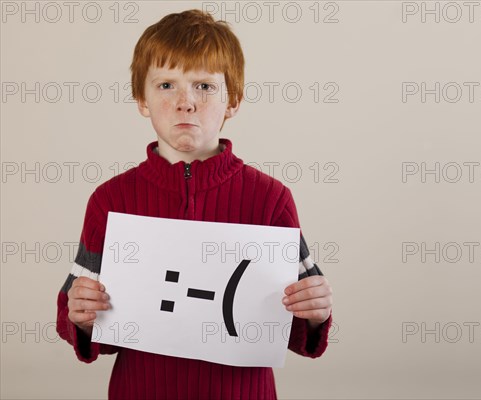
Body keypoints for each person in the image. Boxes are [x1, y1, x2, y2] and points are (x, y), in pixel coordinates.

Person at [56, 9, 333, 399]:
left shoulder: (271, 199)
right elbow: (75, 314)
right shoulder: (110, 201)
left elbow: (298, 324)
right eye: (167, 85)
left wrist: (317, 312)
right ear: (142, 100)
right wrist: (81, 315)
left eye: (204, 87)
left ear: (232, 101)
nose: (185, 102)